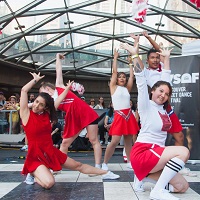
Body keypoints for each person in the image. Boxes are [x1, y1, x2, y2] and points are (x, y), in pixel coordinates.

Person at [20, 72, 120, 189]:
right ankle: (32, 173)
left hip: (50, 152)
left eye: (41, 104)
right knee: (49, 183)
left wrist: (67, 89)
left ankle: (105, 173)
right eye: (36, 102)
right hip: (35, 156)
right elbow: (23, 91)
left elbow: (59, 99)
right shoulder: (26, 114)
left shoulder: (47, 115)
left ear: (45, 107)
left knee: (78, 165)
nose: (37, 106)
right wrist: (35, 80)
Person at [124, 42, 189, 200]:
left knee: (182, 187)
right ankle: (157, 190)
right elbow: (140, 80)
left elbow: (165, 81)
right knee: (183, 152)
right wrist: (135, 55)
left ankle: (142, 178)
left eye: (166, 94)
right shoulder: (146, 105)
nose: (163, 95)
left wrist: (166, 59)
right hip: (143, 153)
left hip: (156, 157)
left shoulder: (164, 109)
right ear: (152, 90)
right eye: (160, 91)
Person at [139, 31, 197, 177]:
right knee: (158, 140)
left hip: (168, 110)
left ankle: (178, 165)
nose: (155, 59)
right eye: (152, 58)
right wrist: (136, 44)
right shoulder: (146, 72)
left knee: (180, 138)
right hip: (154, 111)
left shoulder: (162, 68)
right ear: (147, 60)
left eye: (157, 58)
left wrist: (149, 38)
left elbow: (162, 52)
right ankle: (150, 167)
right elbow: (137, 66)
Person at [39, 53, 103, 169]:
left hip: (86, 113)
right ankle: (58, 166)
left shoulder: (60, 86)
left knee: (94, 140)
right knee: (64, 143)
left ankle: (98, 166)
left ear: (47, 88)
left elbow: (58, 70)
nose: (41, 94)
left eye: (42, 91)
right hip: (73, 117)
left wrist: (58, 57)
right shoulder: (51, 102)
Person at [101, 48, 139, 170]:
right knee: (114, 141)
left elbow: (132, 77)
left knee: (128, 141)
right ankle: (105, 163)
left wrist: (130, 63)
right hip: (119, 116)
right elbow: (114, 72)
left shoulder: (127, 88)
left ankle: (129, 162)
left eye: (124, 77)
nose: (122, 78)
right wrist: (115, 58)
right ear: (116, 79)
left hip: (129, 116)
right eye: (120, 77)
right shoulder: (113, 87)